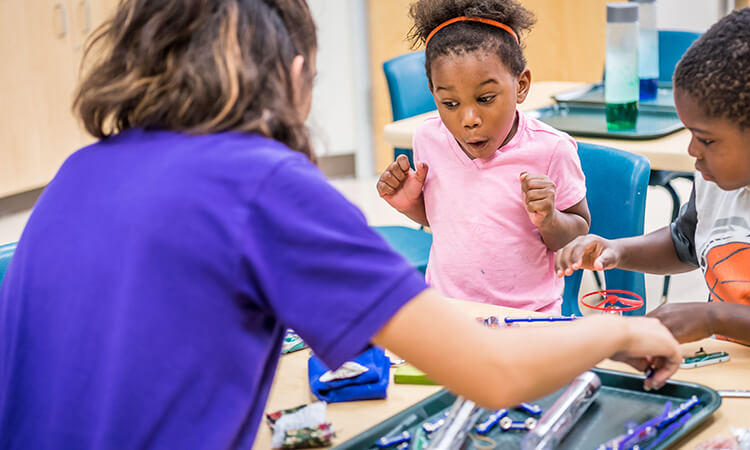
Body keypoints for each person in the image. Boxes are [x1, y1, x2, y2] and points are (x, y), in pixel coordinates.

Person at [0, 0, 681, 448]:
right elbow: (493, 374)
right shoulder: (260, 183)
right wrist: (620, 328)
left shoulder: (78, 173)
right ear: (293, 73)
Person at [555, 7, 750, 355]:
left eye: (707, 139)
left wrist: (715, 317)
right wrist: (618, 249)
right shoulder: (717, 179)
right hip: (732, 366)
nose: (692, 151)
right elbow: (684, 242)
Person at [376, 0, 589, 313]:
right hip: (449, 312)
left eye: (485, 98)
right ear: (433, 92)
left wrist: (550, 219)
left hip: (528, 316)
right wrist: (410, 204)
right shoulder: (428, 138)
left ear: (521, 85)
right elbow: (453, 223)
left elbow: (578, 229)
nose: (469, 119)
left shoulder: (552, 149)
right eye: (450, 103)